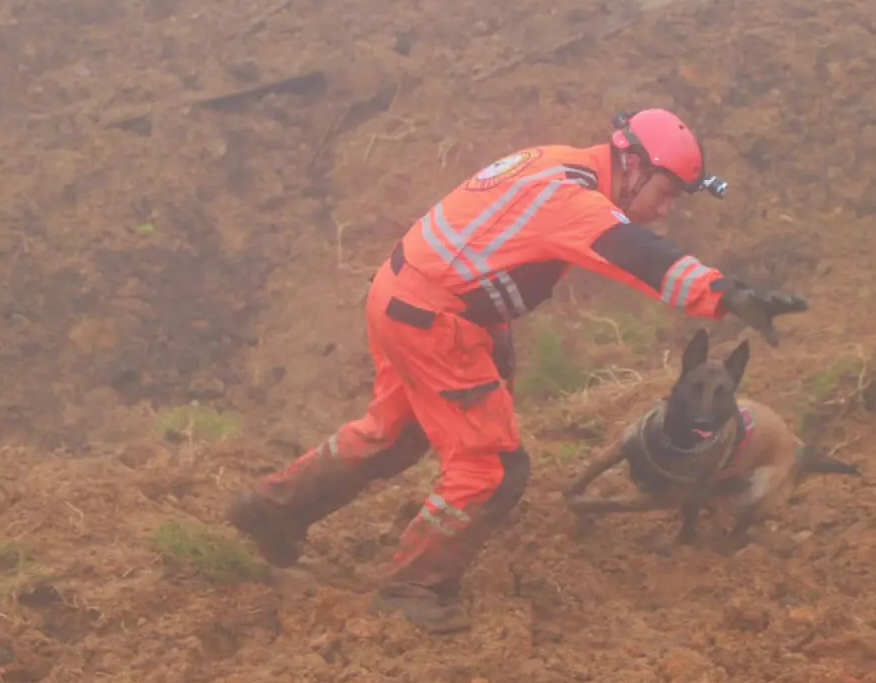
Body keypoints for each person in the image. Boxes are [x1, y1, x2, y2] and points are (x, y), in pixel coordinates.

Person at [228, 108, 809, 633]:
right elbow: (634, 254)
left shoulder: (556, 162)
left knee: (398, 430)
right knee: (493, 467)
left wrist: (493, 330)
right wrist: (724, 294)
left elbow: (489, 241)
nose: (666, 208)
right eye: (667, 191)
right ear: (631, 165)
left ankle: (272, 509)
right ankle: (411, 589)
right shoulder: (571, 200)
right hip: (435, 318)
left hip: (402, 294)